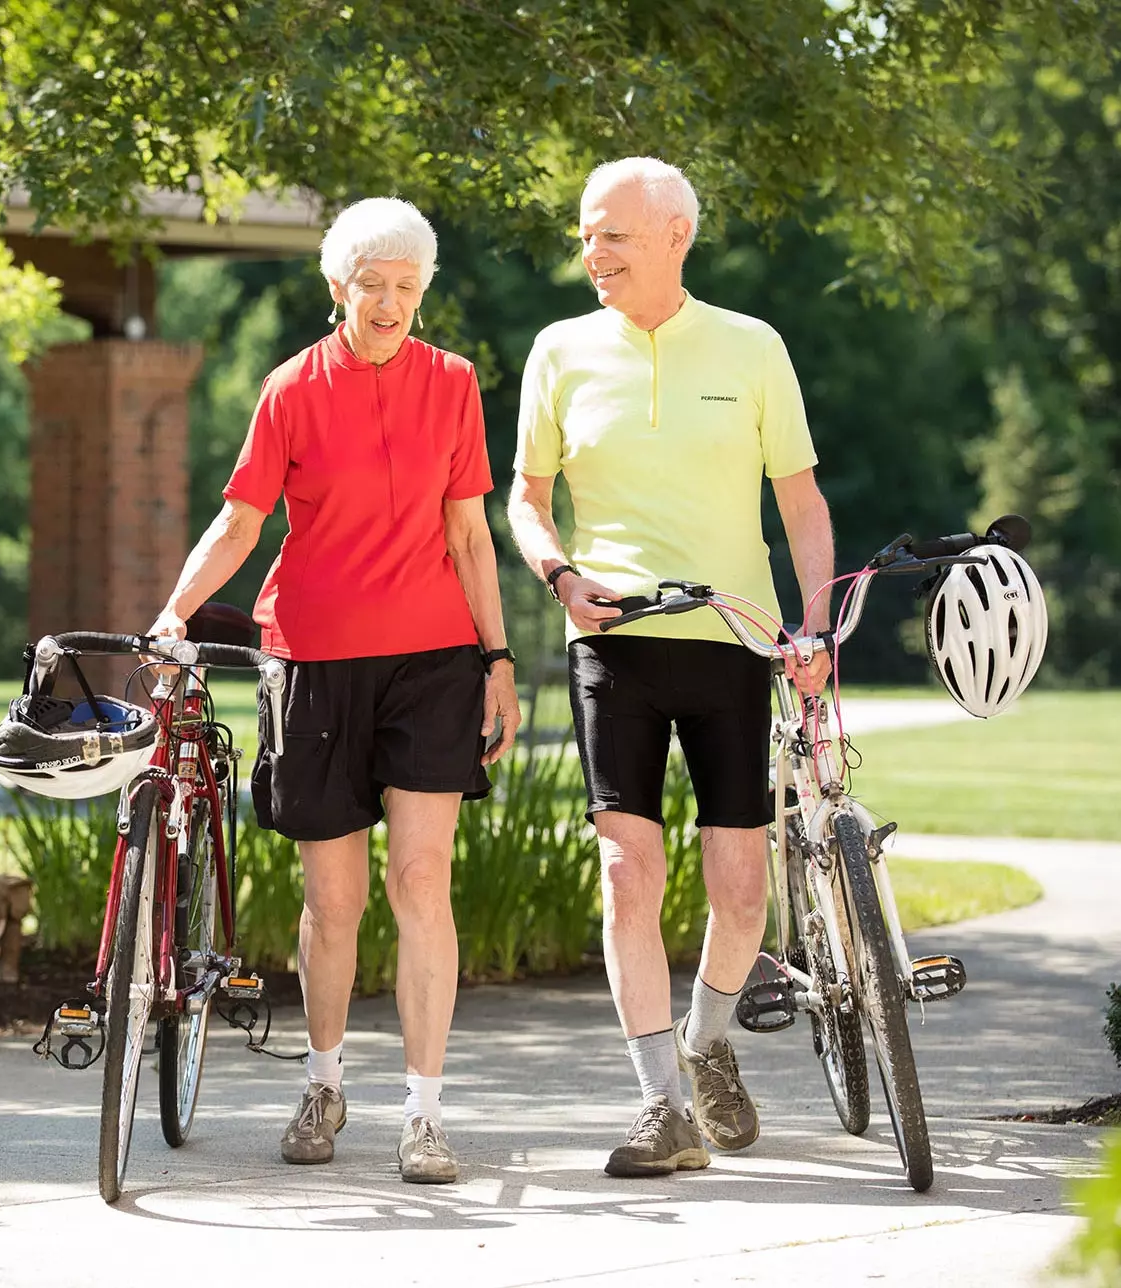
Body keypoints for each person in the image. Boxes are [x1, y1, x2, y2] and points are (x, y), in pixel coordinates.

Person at [149, 196, 521, 1184]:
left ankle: (426, 1113)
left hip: (433, 659)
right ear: (337, 288)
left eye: (408, 287)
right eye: (374, 286)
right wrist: (174, 611)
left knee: (420, 879)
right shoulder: (289, 390)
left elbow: (472, 534)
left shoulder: (453, 383)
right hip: (312, 660)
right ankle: (322, 1083)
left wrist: (500, 660)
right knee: (335, 895)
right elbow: (238, 524)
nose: (392, 303)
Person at [507, 157, 834, 1178]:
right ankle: (659, 1103)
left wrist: (814, 628)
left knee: (742, 891)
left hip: (734, 639)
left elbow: (803, 504)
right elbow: (523, 497)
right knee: (625, 871)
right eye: (587, 236)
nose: (592, 254)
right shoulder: (560, 349)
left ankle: (704, 1046)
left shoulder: (752, 347)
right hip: (612, 644)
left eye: (613, 235)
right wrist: (560, 575)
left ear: (675, 236)